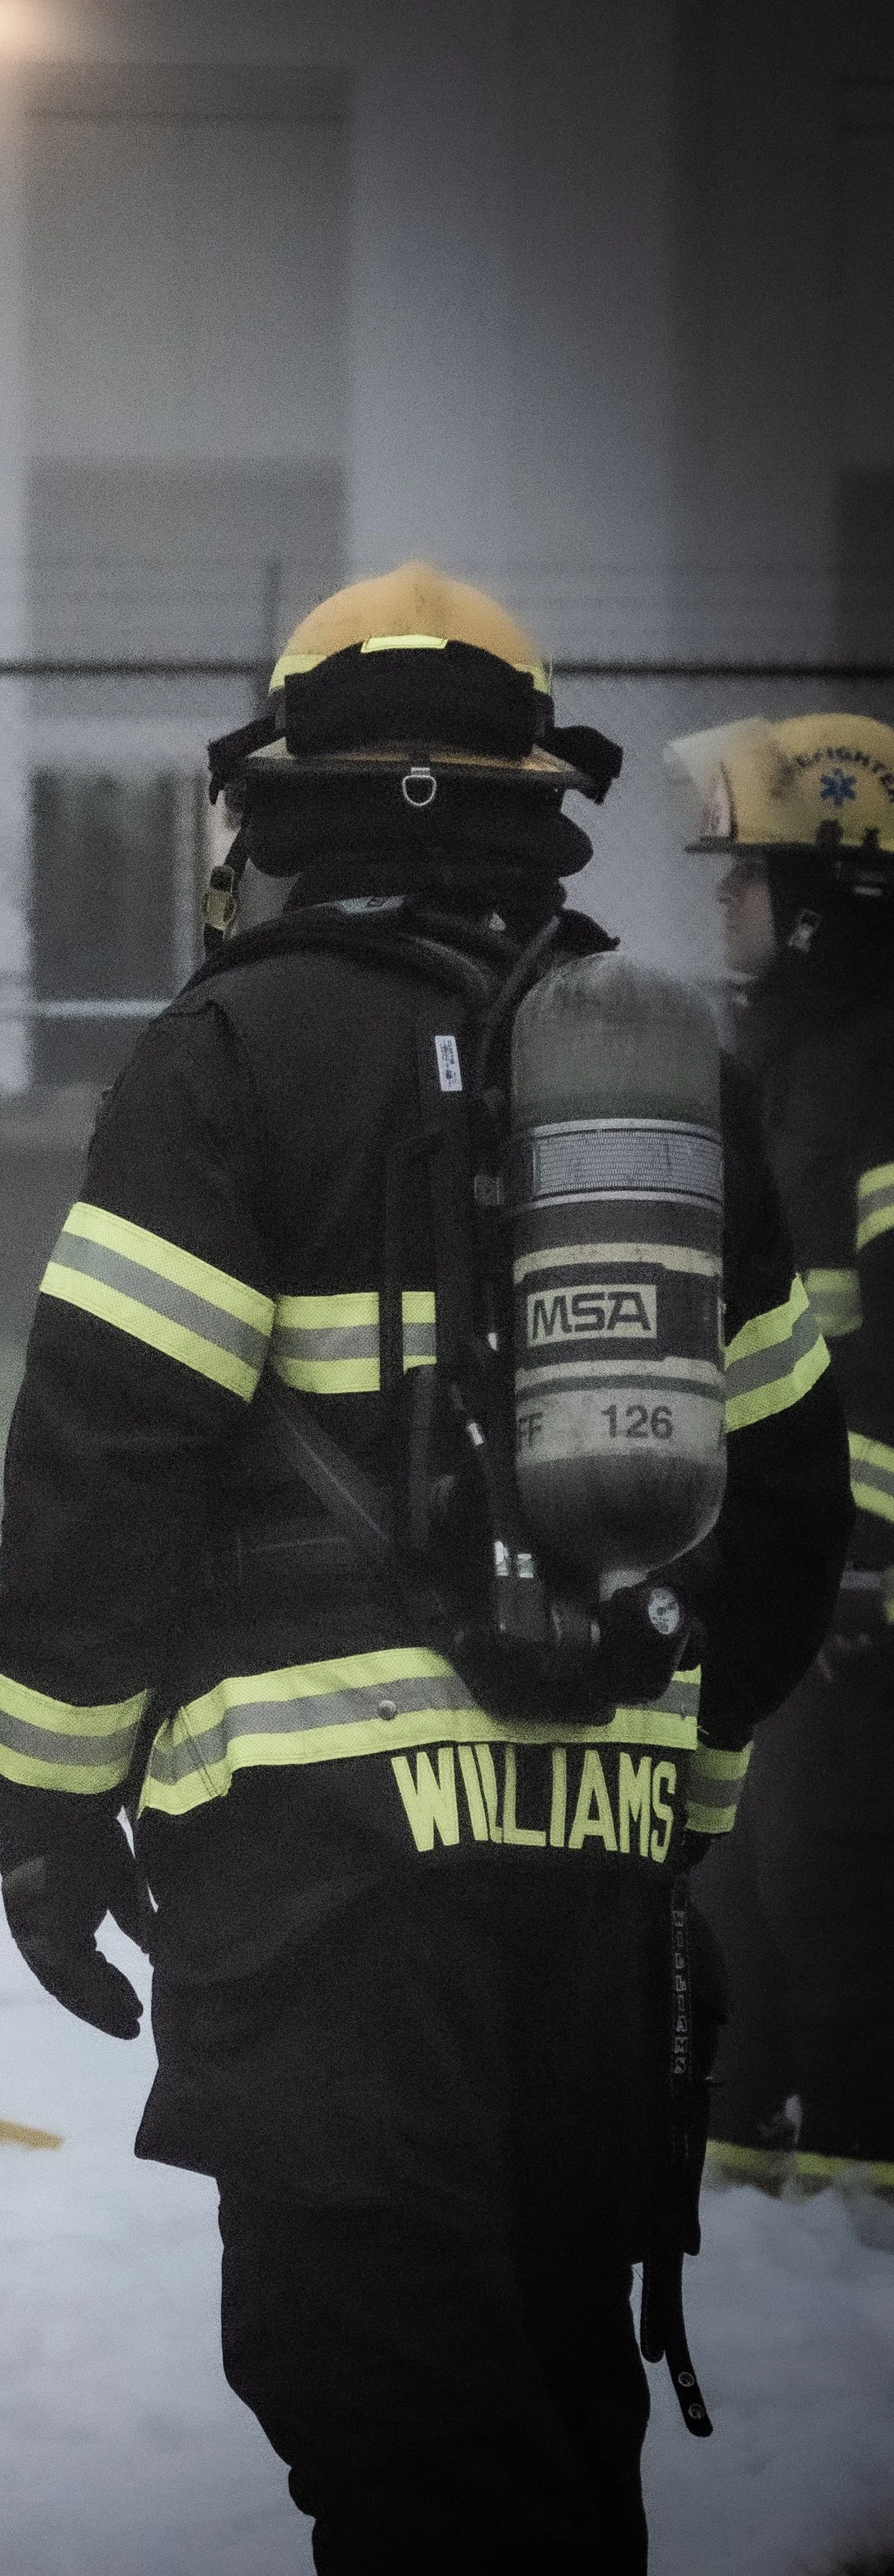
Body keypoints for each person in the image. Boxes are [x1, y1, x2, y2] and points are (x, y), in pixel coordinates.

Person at [0, 563, 851, 2572]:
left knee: (378, 2385)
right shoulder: (660, 1072)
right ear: (530, 788)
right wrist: (673, 1792)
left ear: (281, 793)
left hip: (317, 1873)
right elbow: (789, 1500)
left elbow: (103, 1453)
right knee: (556, 2379)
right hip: (595, 1873)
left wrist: (44, 1809)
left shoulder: (227, 1057)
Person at [668, 712, 894, 2211]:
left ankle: (871, 2151)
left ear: (822, 894)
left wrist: (864, 1552)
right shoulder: (788, 1060)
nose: (717, 901)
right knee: (737, 1850)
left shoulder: (872, 1072)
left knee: (829, 1858)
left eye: (740, 873)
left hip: (855, 1563)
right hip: (775, 1540)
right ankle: (744, 2139)